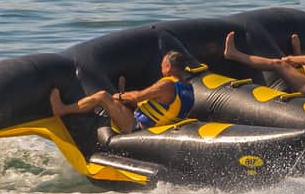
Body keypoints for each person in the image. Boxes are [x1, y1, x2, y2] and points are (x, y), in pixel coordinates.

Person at [48, 51, 195, 135]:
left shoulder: (167, 84)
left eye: (162, 65)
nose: (161, 68)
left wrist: (118, 96)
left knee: (103, 96)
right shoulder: (188, 87)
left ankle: (62, 109)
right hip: (159, 127)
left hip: (139, 128)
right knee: (120, 101)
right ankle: (120, 92)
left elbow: (138, 96)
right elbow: (159, 108)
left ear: (168, 67)